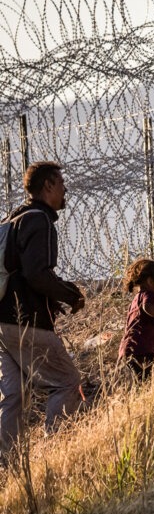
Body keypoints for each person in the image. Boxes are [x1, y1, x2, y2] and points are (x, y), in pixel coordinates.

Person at [0, 162, 87, 460]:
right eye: (61, 183)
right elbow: (37, 274)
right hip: (27, 321)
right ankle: (55, 456)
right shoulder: (39, 222)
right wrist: (70, 295)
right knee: (67, 382)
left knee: (14, 396)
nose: (65, 190)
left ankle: (6, 467)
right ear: (48, 186)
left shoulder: (12, 219)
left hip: (2, 324)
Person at [117, 259, 154, 379]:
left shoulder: (137, 298)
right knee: (145, 380)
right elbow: (148, 307)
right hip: (141, 350)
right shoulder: (148, 295)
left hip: (131, 349)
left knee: (142, 381)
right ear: (150, 281)